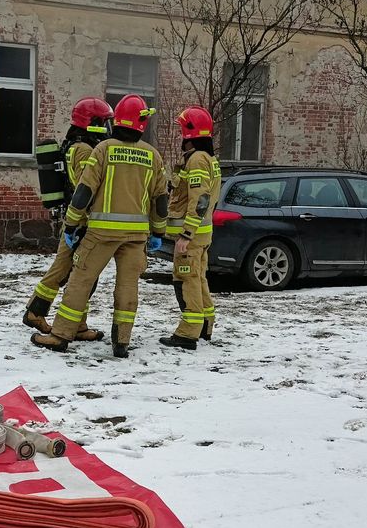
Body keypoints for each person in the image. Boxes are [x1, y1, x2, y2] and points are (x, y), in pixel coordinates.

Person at [31, 94, 168, 358]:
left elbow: (84, 191)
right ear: (141, 124)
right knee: (128, 287)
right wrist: (158, 232)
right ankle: (122, 342)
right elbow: (160, 200)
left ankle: (60, 335)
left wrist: (71, 225)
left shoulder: (104, 149)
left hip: (101, 233)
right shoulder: (153, 155)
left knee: (80, 281)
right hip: (137, 237)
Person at [23, 98, 114, 341]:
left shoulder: (78, 145)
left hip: (78, 220)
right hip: (81, 221)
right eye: (103, 122)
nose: (107, 128)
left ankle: (76, 323)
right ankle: (36, 312)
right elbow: (88, 186)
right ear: (91, 123)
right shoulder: (83, 149)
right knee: (72, 272)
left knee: (76, 273)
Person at [160, 106, 221, 350]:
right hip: (203, 234)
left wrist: (186, 233)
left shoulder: (196, 160)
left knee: (187, 279)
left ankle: (188, 332)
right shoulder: (208, 159)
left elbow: (201, 198)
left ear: (189, 132)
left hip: (191, 236)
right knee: (198, 278)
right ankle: (205, 324)